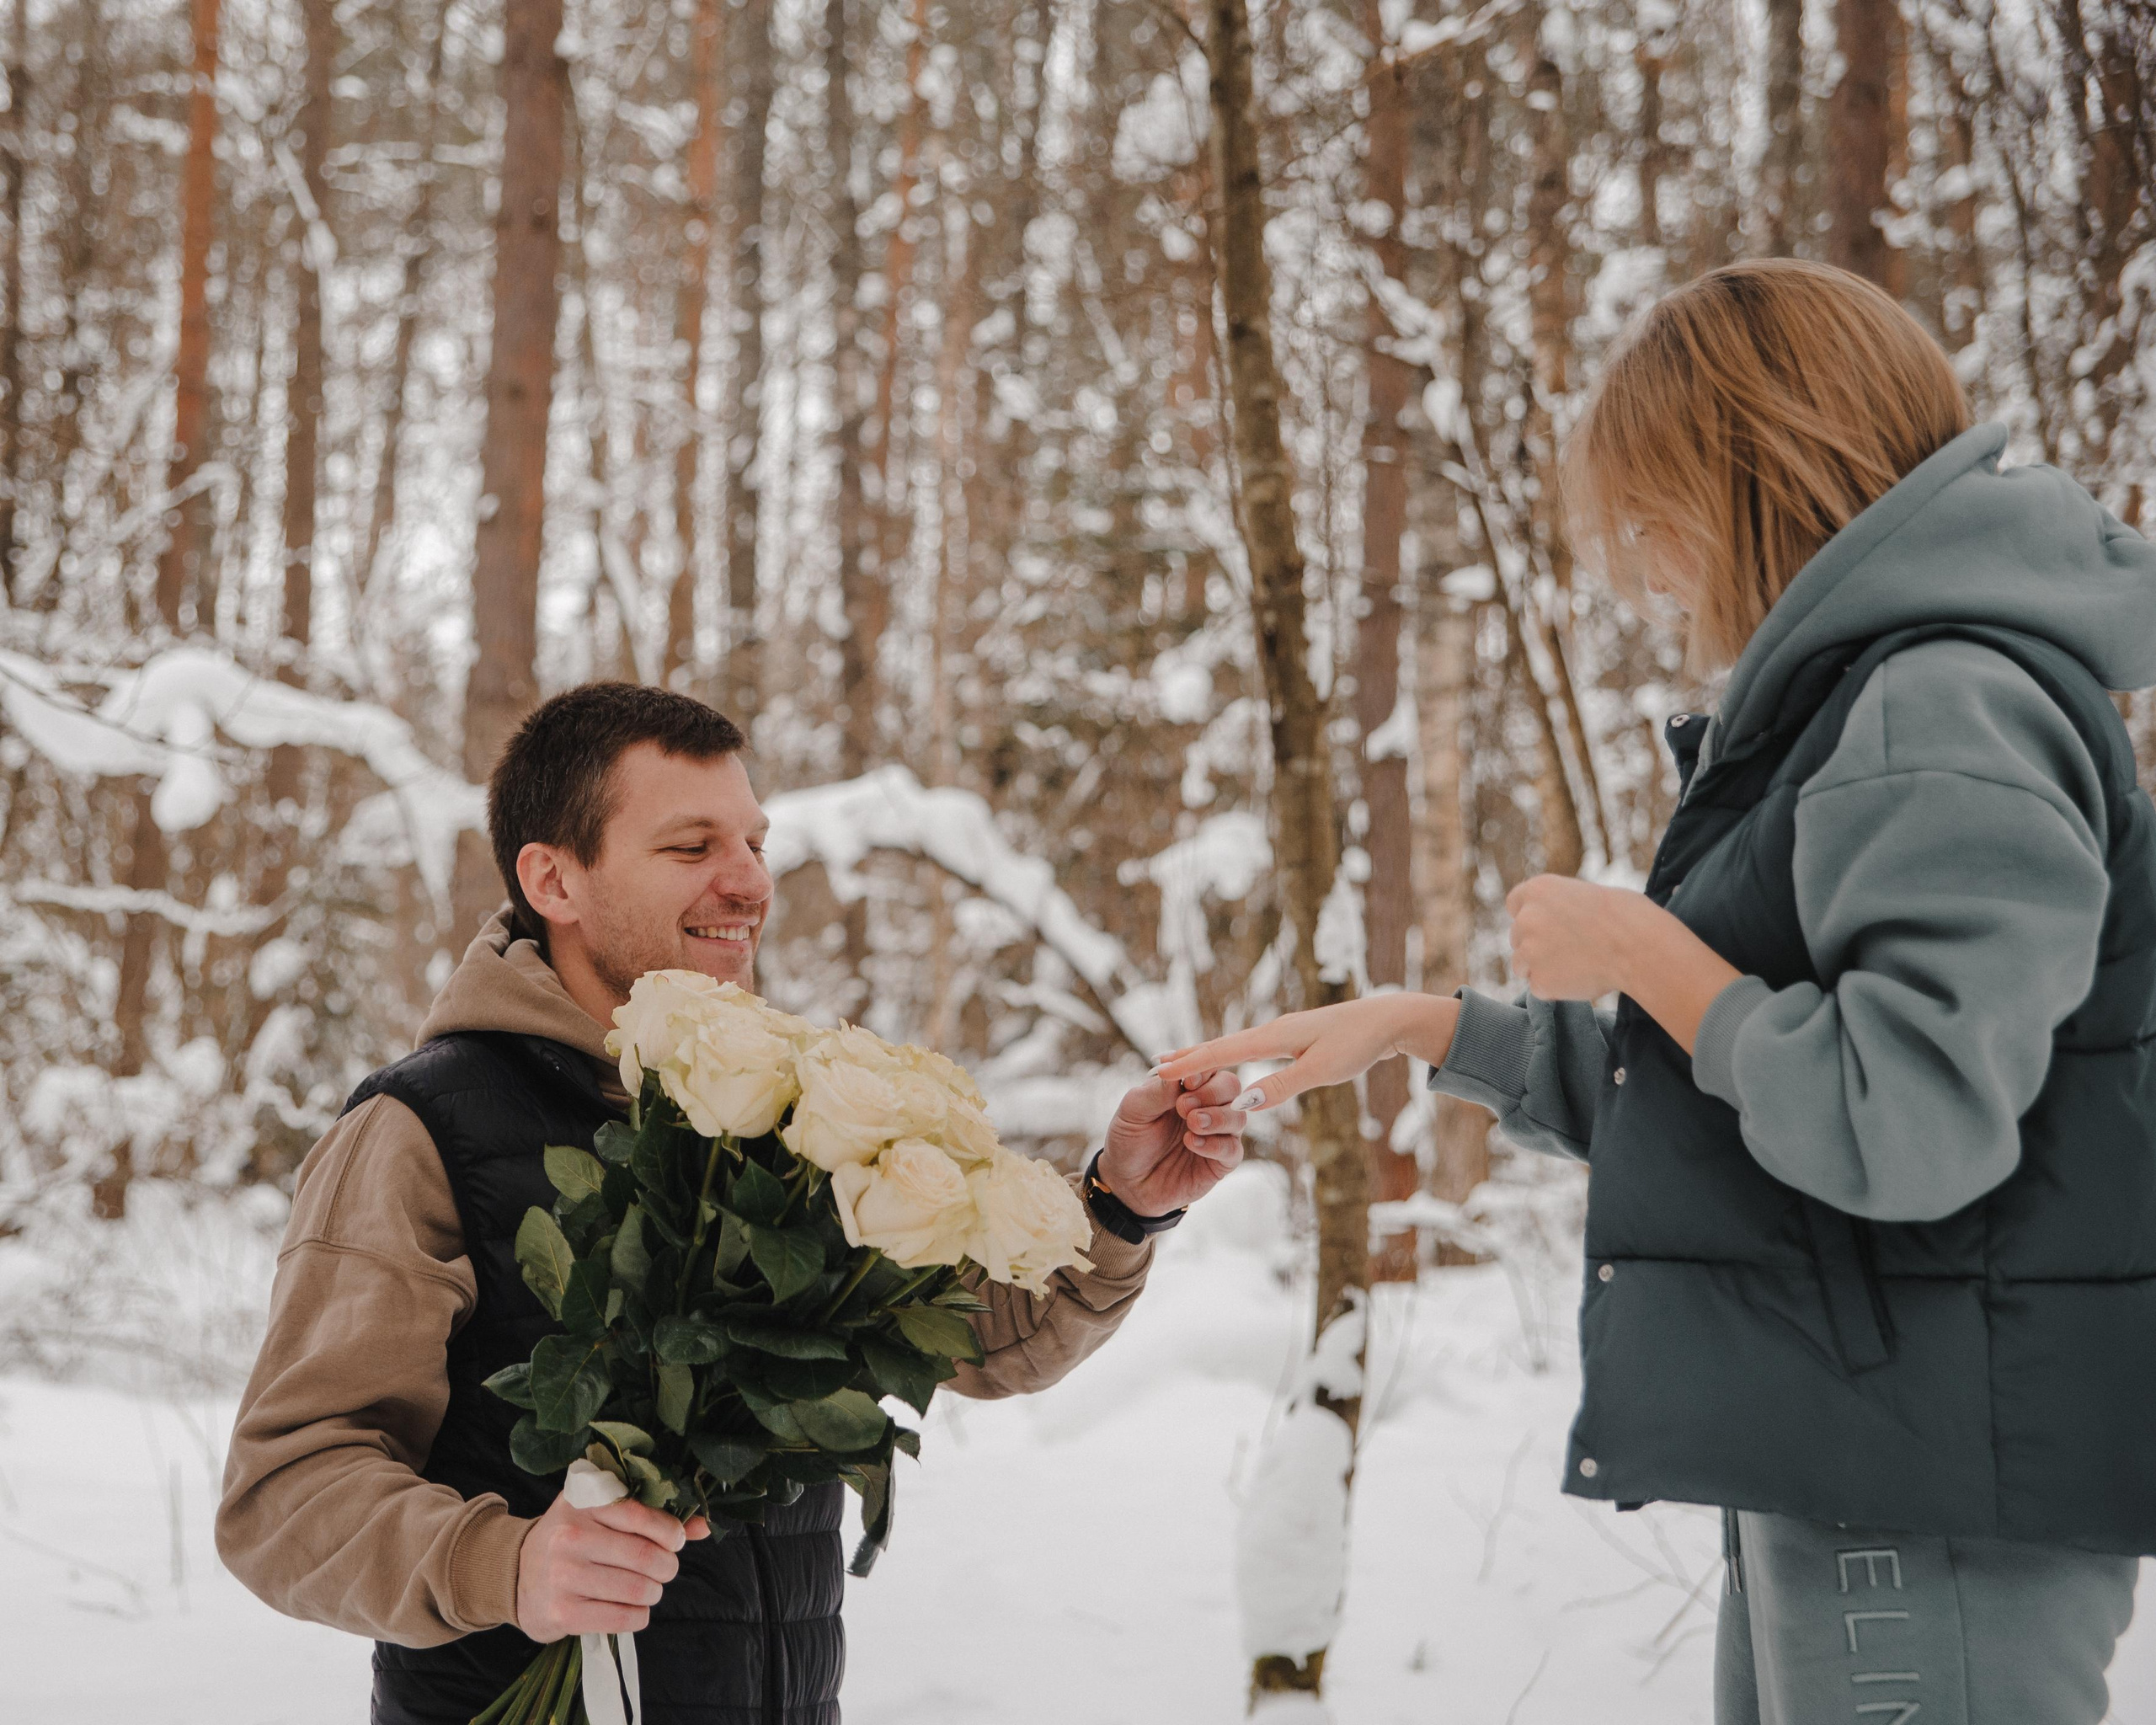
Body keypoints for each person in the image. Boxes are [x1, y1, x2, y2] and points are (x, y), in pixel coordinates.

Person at [1157, 259, 2156, 1725]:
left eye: (1655, 504)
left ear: (1755, 474)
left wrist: (1640, 949)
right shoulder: (1889, 690)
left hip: (1935, 1474)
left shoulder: (1941, 700)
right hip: (1883, 1436)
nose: (1645, 558)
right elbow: (1750, 1084)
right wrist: (1424, 1026)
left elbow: (1908, 1125)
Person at [216, 682, 1251, 1725]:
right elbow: (285, 1493)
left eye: (754, 840)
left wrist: (1118, 1207)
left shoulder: (789, 1109)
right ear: (553, 878)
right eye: (691, 846)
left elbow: (980, 1342)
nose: (750, 879)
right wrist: (505, 1561)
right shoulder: (425, 1128)